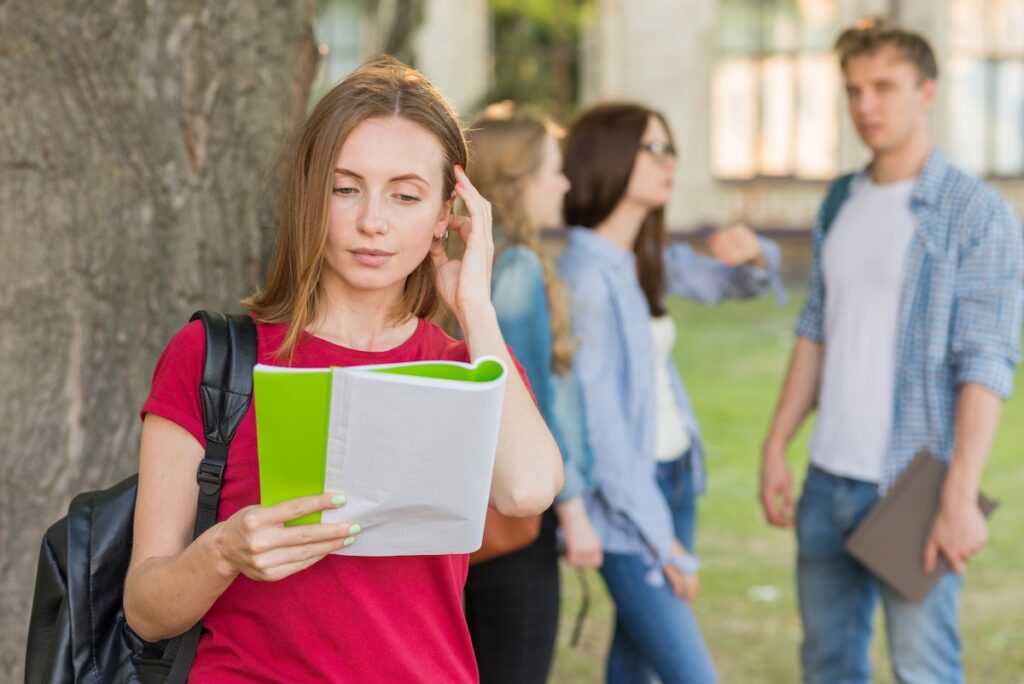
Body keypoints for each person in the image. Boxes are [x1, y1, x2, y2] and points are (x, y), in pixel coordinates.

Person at [122, 55, 563, 683]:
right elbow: (145, 611)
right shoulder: (209, 357)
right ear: (311, 195)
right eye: (345, 188)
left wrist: (476, 309)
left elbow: (528, 491)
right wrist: (224, 551)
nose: (372, 222)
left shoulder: (464, 365)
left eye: (406, 195)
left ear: (446, 215)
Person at [759, 18, 1023, 684]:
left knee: (923, 669)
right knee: (826, 667)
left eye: (884, 87)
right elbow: (816, 328)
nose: (865, 105)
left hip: (914, 485)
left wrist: (959, 495)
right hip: (826, 481)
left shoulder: (977, 213)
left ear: (927, 91)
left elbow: (986, 361)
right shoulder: (840, 200)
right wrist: (777, 443)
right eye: (854, 90)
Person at [559, 101, 784, 684]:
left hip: (676, 475)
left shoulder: (645, 258)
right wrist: (661, 539)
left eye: (671, 149)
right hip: (630, 502)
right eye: (653, 148)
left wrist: (756, 254)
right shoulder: (584, 278)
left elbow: (736, 284)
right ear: (609, 157)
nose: (670, 162)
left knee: (634, 664)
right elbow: (601, 432)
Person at [461, 103, 602, 684]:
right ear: (519, 181)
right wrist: (575, 514)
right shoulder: (517, 266)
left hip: (466, 518)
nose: (565, 183)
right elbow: (533, 401)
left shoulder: (463, 264)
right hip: (516, 524)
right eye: (554, 170)